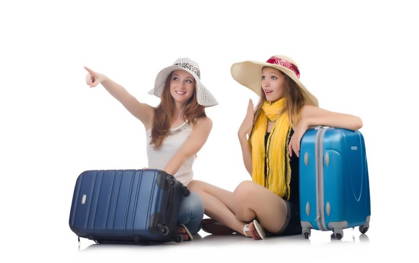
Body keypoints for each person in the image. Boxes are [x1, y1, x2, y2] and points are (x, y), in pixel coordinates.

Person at [189, 55, 362, 240]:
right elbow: (254, 172)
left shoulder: (300, 111)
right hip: (263, 199)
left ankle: (231, 220)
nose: (266, 84)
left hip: (289, 211)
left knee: (245, 191)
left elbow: (355, 121)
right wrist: (241, 136)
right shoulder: (261, 117)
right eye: (263, 77)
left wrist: (305, 122)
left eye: (274, 77)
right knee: (194, 187)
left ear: (287, 83)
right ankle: (244, 228)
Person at [84, 57, 218, 241]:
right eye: (176, 78)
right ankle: (166, 227)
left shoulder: (202, 123)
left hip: (180, 194)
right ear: (168, 83)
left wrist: (158, 181)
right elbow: (127, 98)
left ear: (195, 88)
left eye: (189, 81)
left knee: (194, 204)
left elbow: (181, 156)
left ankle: (173, 226)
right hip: (151, 192)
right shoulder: (151, 116)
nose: (181, 85)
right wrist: (104, 79)